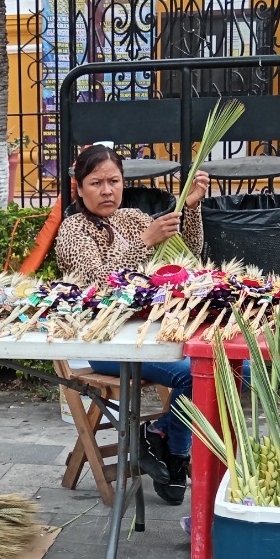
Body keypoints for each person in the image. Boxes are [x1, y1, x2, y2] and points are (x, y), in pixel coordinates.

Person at [54, 144, 208, 506]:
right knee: (193, 374)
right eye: (96, 183)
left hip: (152, 332)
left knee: (236, 365)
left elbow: (191, 253)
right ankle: (176, 452)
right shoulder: (73, 230)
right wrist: (145, 243)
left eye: (114, 181)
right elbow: (100, 283)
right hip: (105, 341)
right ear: (78, 188)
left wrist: (192, 208)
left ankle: (160, 434)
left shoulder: (133, 217)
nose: (107, 191)